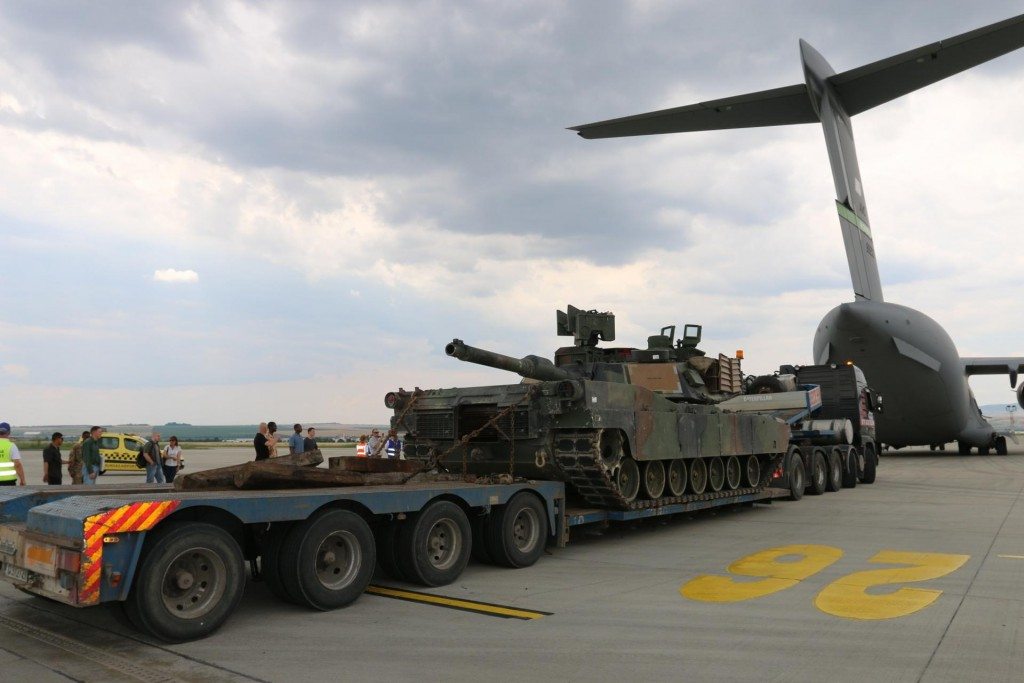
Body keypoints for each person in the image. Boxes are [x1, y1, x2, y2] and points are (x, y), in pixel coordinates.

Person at [0, 422, 26, 486]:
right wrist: (22, 480)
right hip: (8, 481)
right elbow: (17, 464)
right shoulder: (11, 446)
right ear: (9, 432)